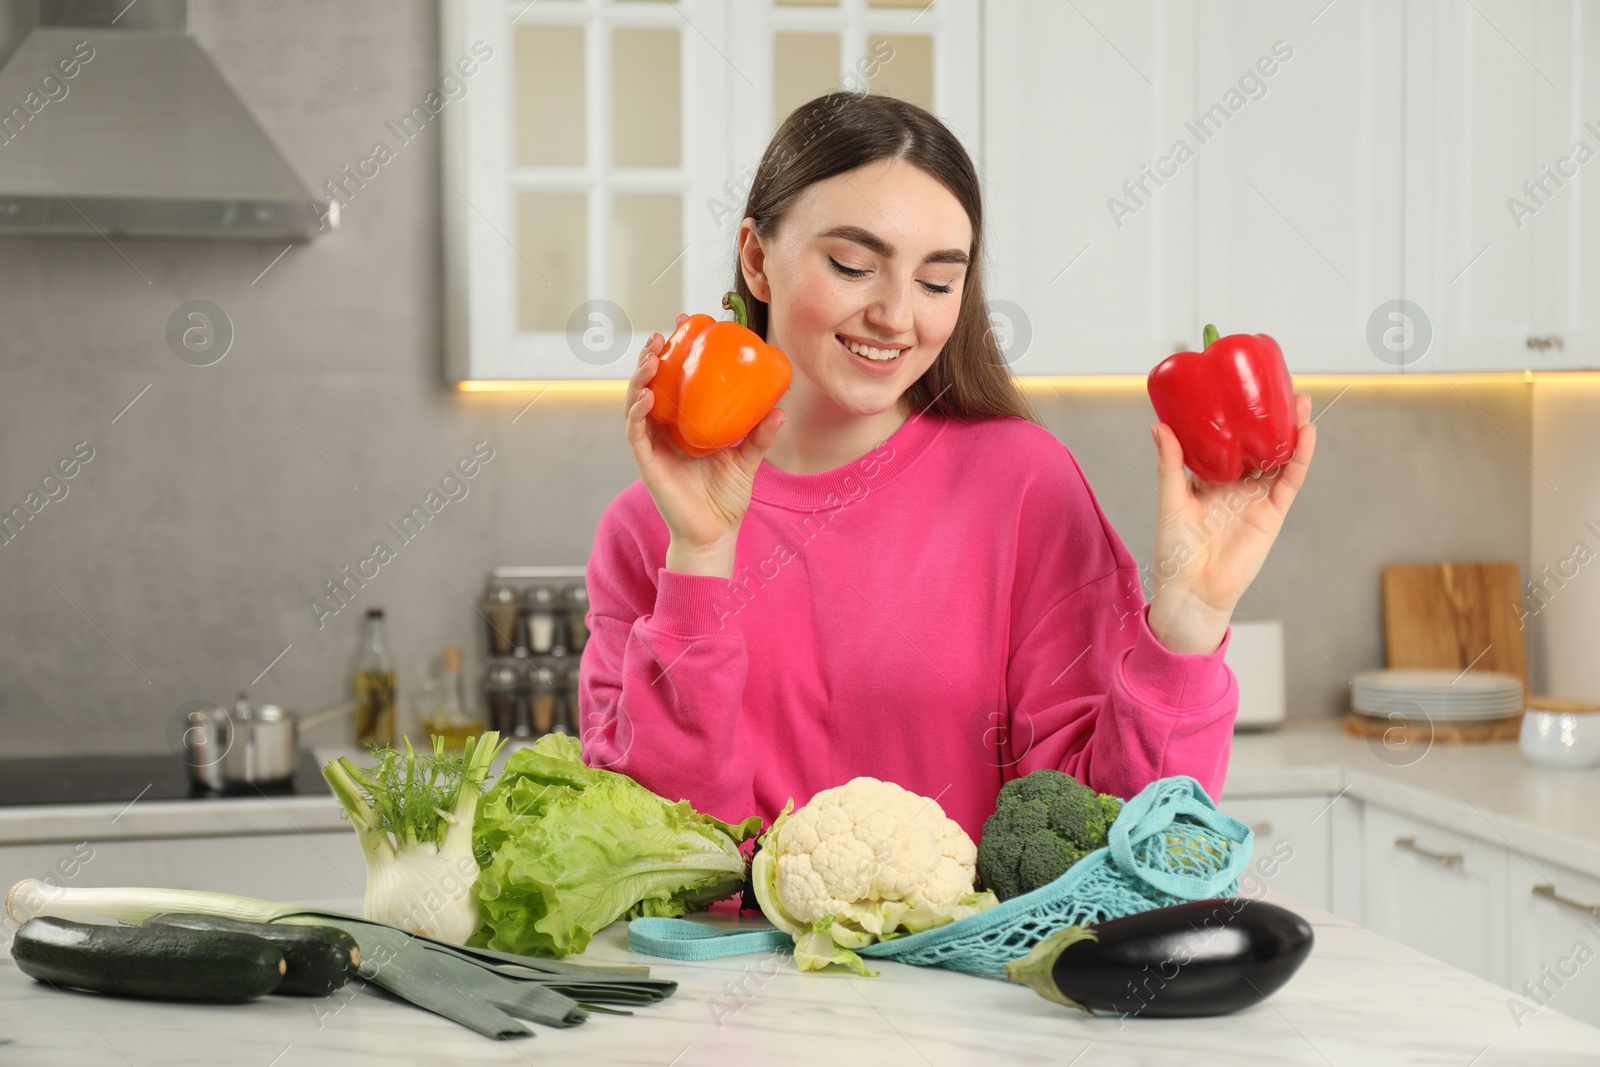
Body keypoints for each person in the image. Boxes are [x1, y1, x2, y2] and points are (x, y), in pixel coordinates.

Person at [577, 90, 1315, 844]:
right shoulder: (649, 533)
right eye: (854, 264)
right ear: (758, 261)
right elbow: (655, 854)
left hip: (966, 964)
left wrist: (1189, 626)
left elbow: (1116, 838)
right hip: (728, 966)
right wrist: (700, 560)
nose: (897, 315)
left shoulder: (1022, 485)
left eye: (937, 282)